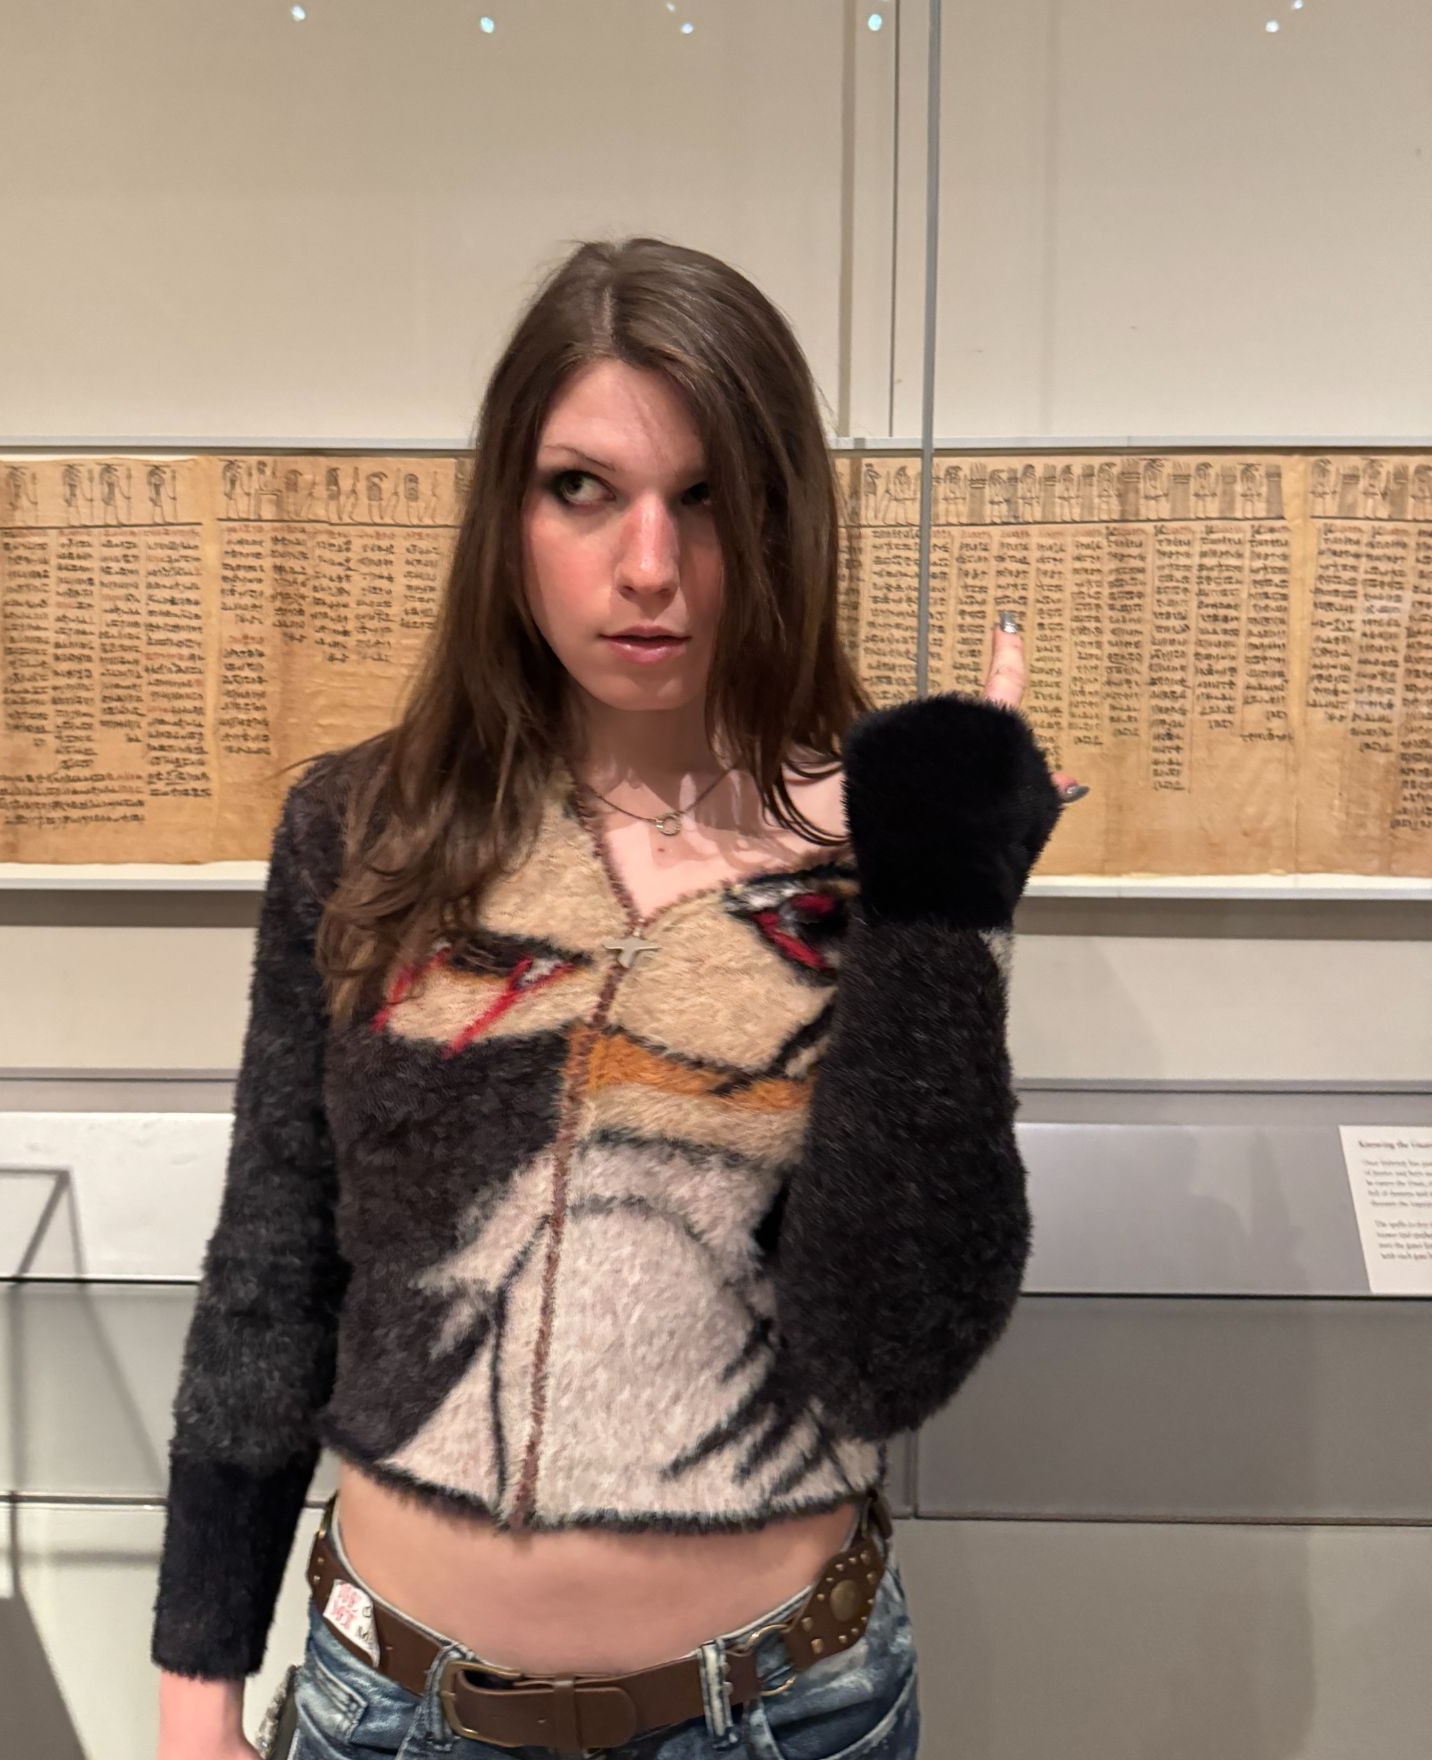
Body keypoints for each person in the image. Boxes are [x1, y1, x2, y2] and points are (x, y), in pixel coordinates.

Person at [151, 237, 1083, 1760]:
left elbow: (889, 1354)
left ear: (781, 521)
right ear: (506, 516)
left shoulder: (883, 848)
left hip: (780, 1710)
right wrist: (197, 1688)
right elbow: (273, 1262)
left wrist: (940, 902)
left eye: (706, 497)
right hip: (390, 1706)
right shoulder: (364, 832)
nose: (649, 565)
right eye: (582, 488)